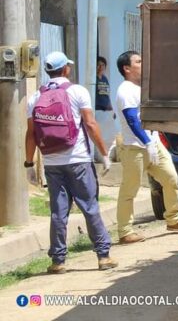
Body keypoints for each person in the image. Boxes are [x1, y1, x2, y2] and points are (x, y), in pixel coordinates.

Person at [24, 51, 118, 273]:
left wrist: (29, 163)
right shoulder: (77, 91)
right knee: (89, 207)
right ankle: (103, 256)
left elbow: (31, 134)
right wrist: (104, 154)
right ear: (65, 69)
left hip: (51, 163)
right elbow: (91, 124)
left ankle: (58, 261)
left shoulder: (35, 97)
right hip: (78, 160)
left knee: (58, 212)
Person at [115, 51, 178, 243]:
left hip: (153, 144)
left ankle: (173, 219)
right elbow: (132, 120)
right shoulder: (125, 90)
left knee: (171, 178)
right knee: (130, 190)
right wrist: (146, 141)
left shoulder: (142, 88)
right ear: (126, 68)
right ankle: (125, 231)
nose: (143, 63)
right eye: (138, 61)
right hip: (134, 147)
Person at [94, 56, 118, 157]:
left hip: (106, 111)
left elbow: (107, 95)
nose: (100, 67)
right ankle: (98, 155)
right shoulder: (93, 79)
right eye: (98, 65)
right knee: (99, 134)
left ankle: (108, 154)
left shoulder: (105, 79)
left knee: (109, 134)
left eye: (102, 65)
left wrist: (112, 109)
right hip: (97, 110)